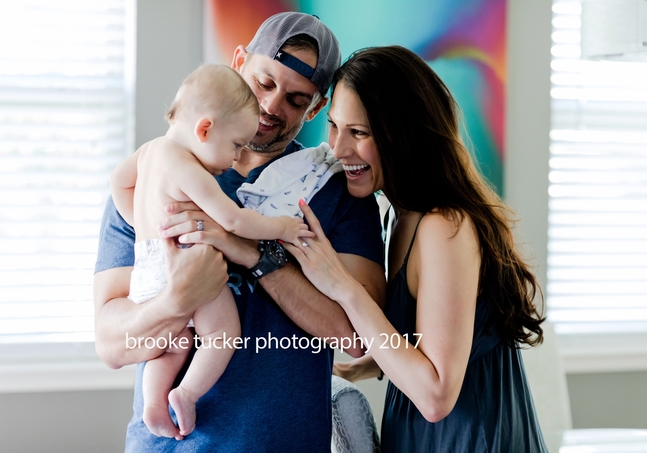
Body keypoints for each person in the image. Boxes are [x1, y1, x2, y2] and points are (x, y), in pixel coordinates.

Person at [93, 12, 386, 452]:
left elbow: (359, 340)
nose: (271, 107)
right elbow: (113, 344)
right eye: (264, 83)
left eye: (295, 98)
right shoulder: (159, 180)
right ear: (238, 61)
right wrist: (177, 300)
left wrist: (256, 254)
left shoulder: (334, 193)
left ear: (317, 107)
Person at [285, 46, 548, 452]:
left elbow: (436, 394)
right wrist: (361, 366)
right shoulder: (399, 217)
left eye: (359, 132)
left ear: (403, 134)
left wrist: (343, 287)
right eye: (335, 126)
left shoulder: (444, 227)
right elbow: (426, 342)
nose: (338, 149)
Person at [109, 63, 315, 440]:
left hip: (148, 267)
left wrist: (146, 228)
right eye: (235, 145)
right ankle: (186, 394)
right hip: (187, 260)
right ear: (204, 129)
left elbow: (118, 184)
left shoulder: (149, 152)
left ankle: (155, 406)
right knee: (222, 331)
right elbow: (234, 222)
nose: (236, 157)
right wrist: (281, 228)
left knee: (175, 344)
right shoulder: (190, 171)